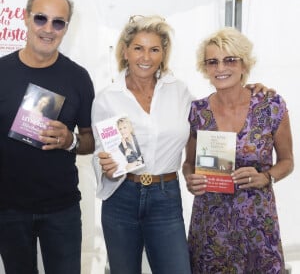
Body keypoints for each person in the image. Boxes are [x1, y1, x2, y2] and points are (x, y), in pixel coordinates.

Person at [91, 15, 270, 274]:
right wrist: (104, 164)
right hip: (121, 196)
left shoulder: (179, 91)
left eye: (154, 49)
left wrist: (249, 89)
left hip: (165, 195)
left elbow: (213, 110)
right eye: (138, 48)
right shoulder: (107, 98)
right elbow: (100, 151)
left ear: (163, 54)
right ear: (125, 51)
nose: (146, 57)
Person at [0, 0, 95, 274]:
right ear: (26, 18)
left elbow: (90, 141)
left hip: (61, 207)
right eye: (41, 18)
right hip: (8, 207)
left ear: (66, 28)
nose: (48, 29)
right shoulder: (1, 72)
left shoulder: (78, 78)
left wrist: (70, 141)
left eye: (58, 22)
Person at [183, 27, 294, 273]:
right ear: (206, 69)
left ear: (244, 64)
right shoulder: (197, 112)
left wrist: (266, 176)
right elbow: (188, 163)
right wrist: (190, 179)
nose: (221, 68)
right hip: (211, 227)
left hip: (257, 226)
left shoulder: (271, 106)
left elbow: (287, 161)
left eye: (229, 60)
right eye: (213, 62)